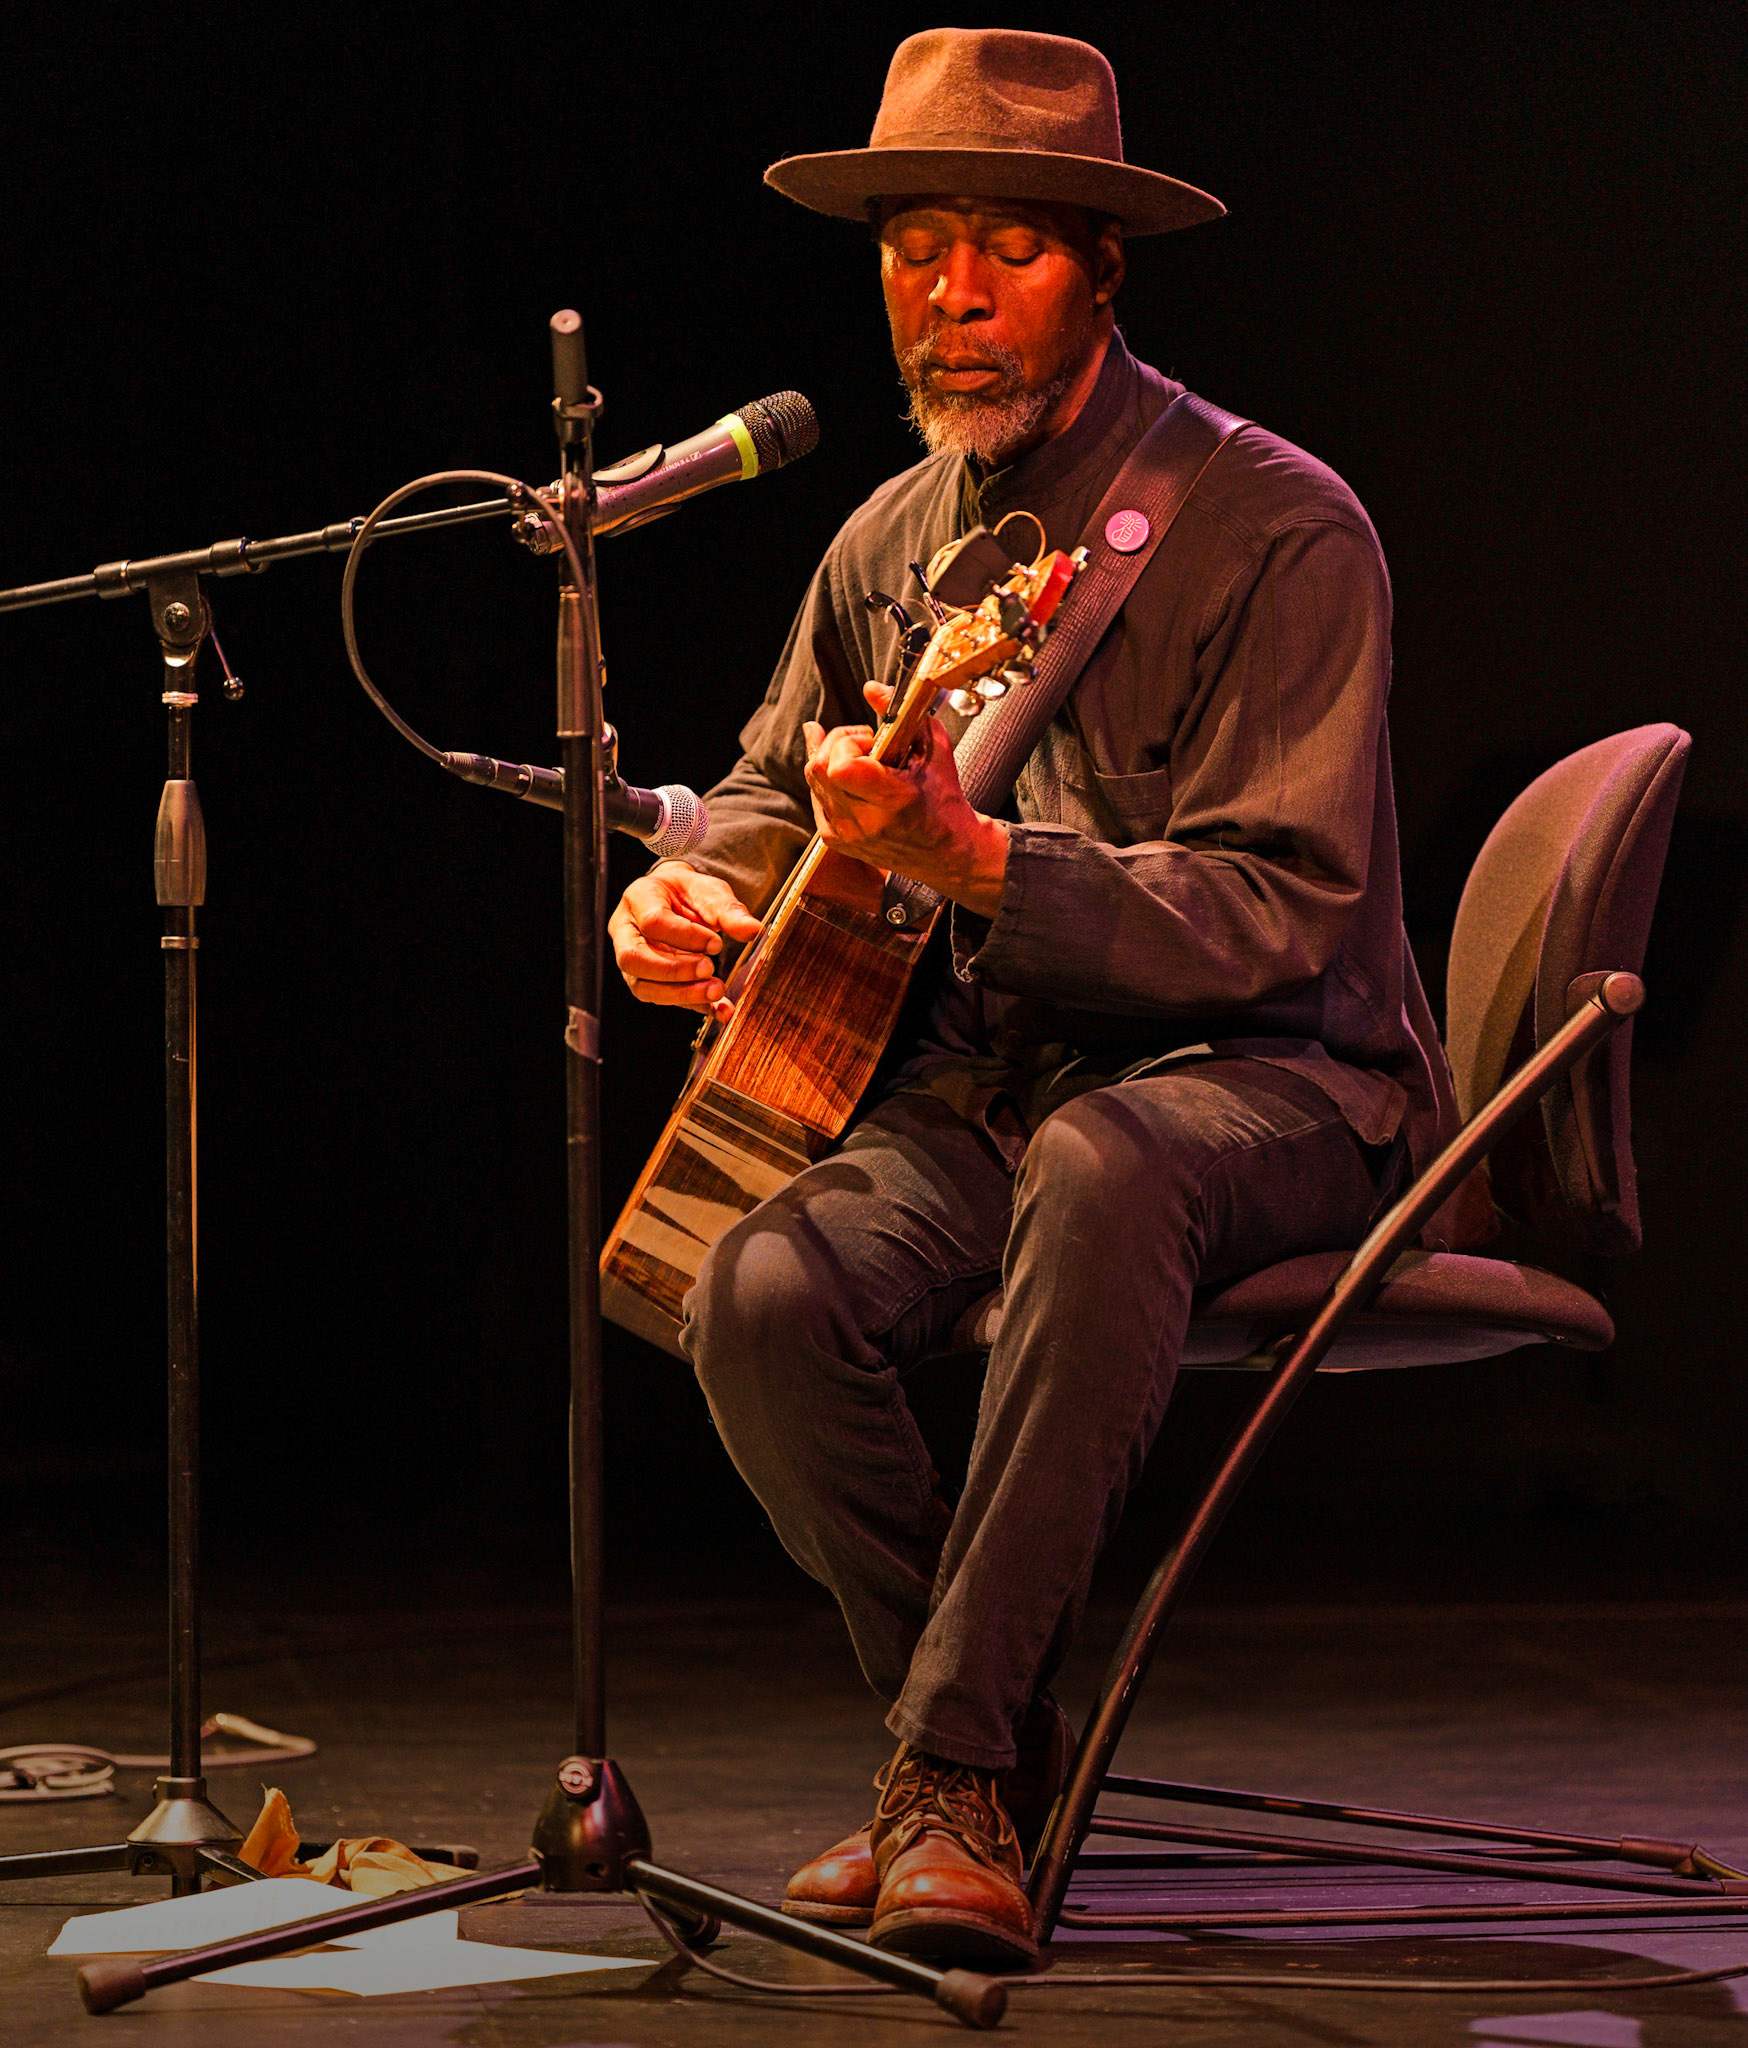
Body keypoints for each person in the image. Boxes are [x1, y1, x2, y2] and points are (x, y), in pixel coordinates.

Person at [607, 27, 1460, 1965]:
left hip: (1278, 1083)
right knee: (750, 1286)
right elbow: (757, 785)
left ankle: (948, 1767)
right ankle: (972, 1764)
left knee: (1104, 1163)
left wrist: (977, 862)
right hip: (997, 1083)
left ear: (1101, 265)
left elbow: (1287, 907)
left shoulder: (1274, 520)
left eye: (1005, 246)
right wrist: (682, 890)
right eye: (917, 247)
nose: (952, 294)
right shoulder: (889, 536)